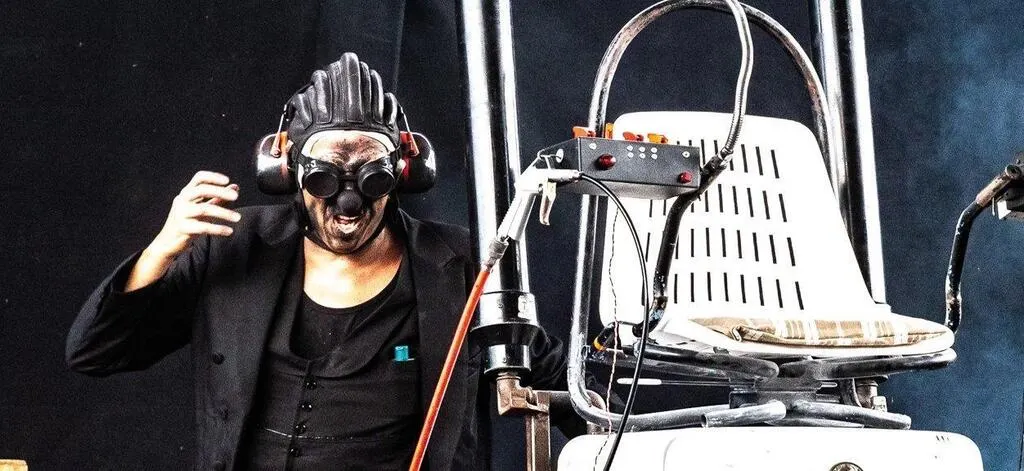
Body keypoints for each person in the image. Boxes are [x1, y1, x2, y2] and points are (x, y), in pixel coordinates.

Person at [67, 52, 582, 470]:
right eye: (324, 177)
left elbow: (565, 387)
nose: (348, 202)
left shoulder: (463, 268)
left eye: (371, 177)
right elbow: (95, 352)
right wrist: (160, 250)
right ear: (288, 171)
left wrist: (622, 443)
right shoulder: (231, 246)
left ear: (403, 173)